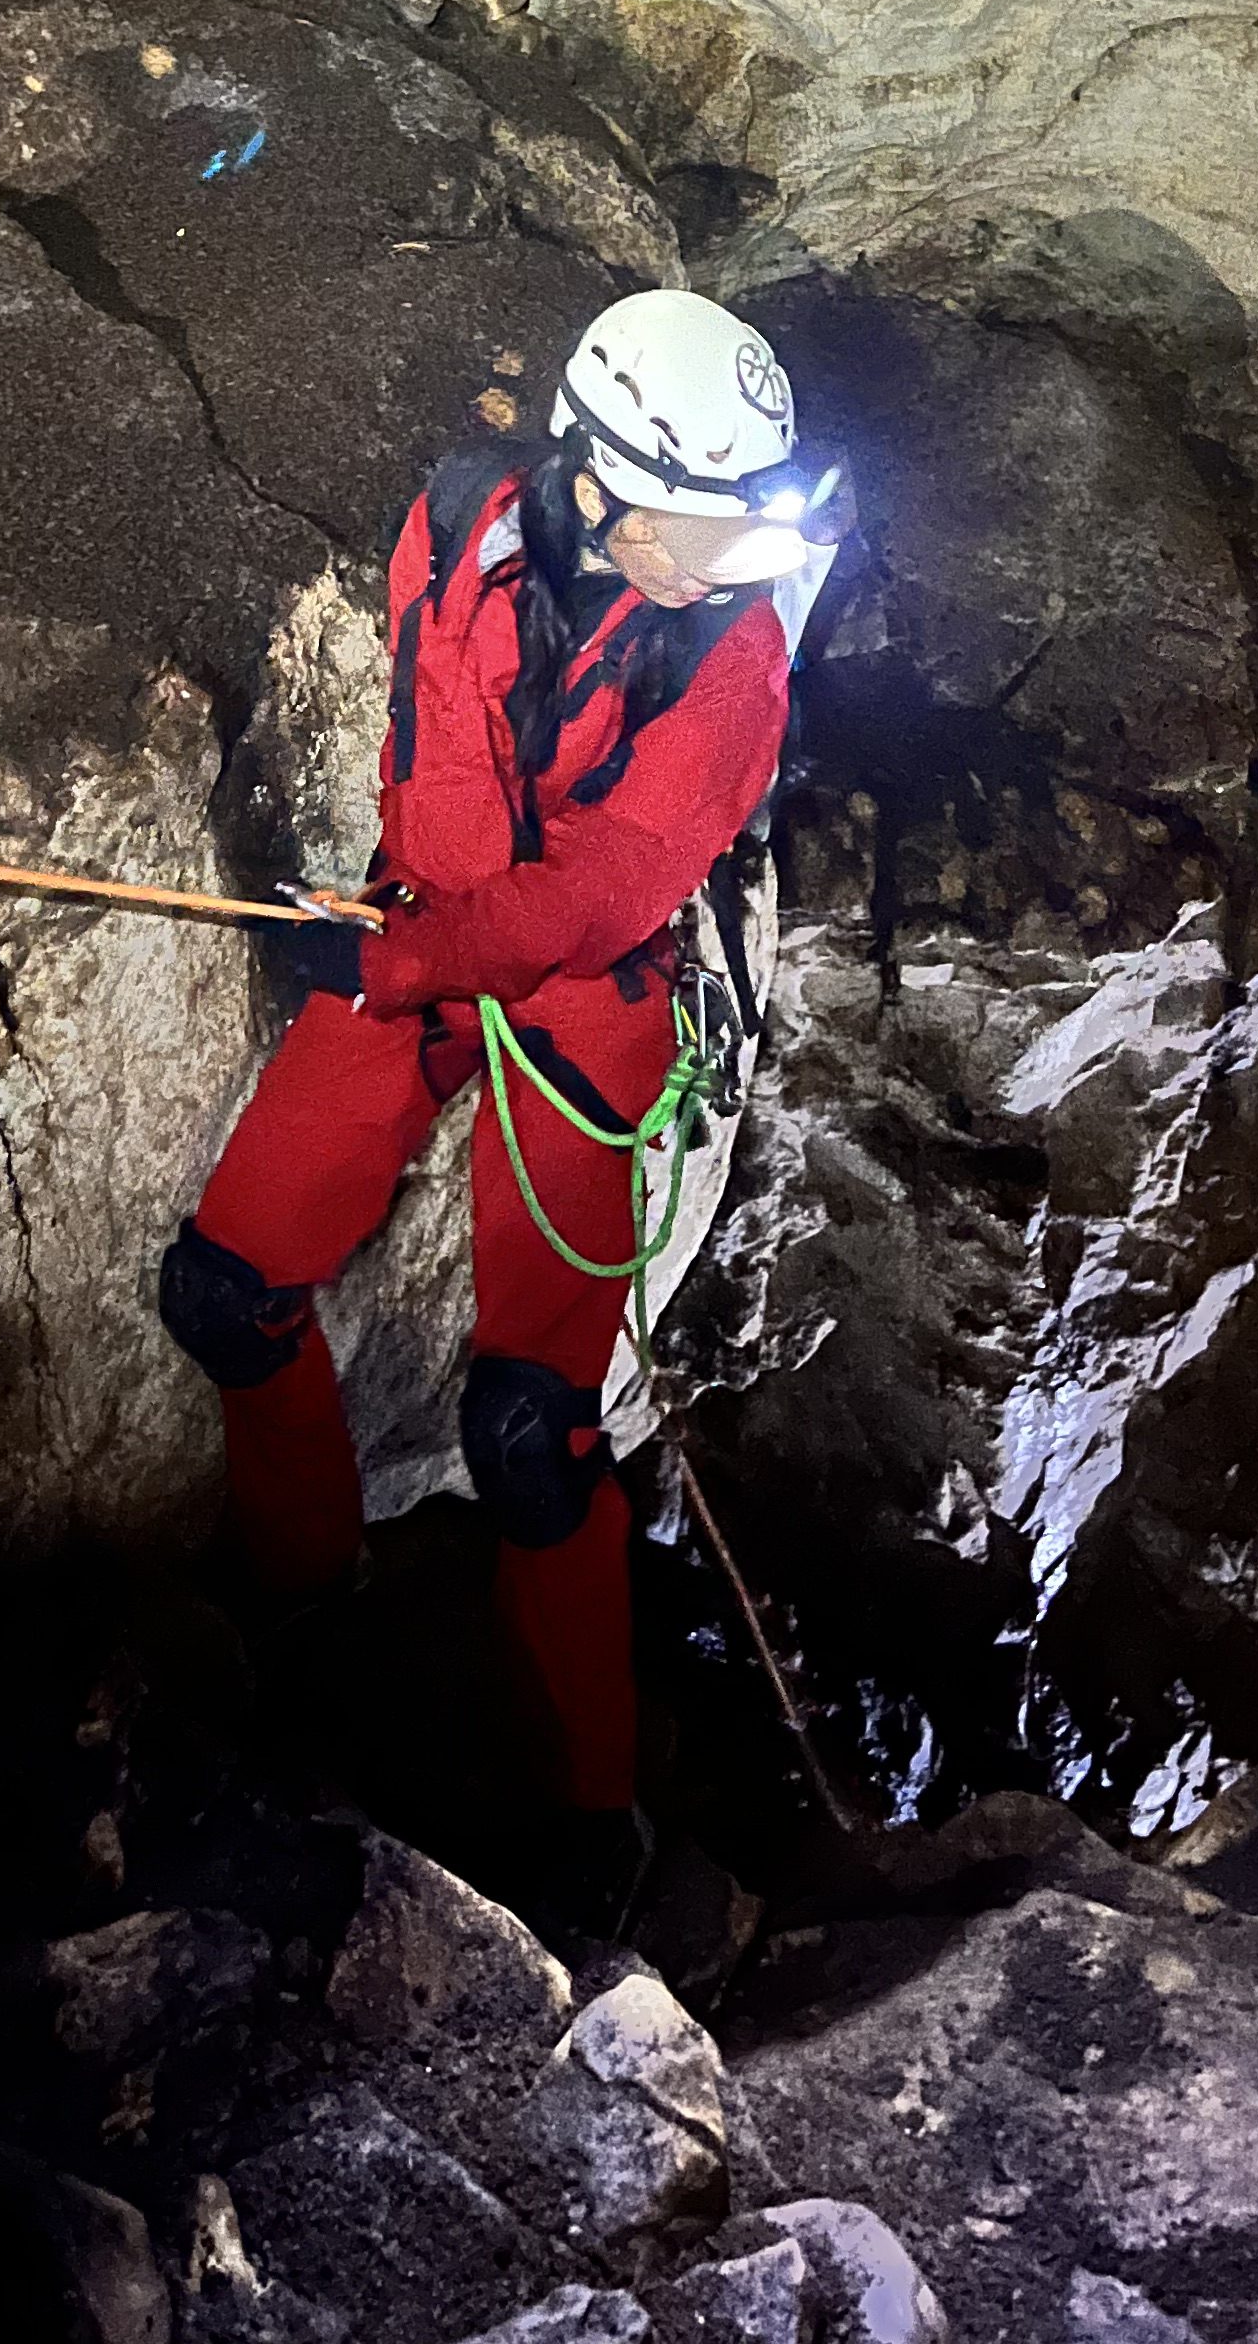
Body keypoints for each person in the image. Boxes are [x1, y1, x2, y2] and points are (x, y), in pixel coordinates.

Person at [156, 287, 845, 1897]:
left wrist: (406, 964)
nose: (746, 563)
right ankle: (303, 1588)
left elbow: (602, 896)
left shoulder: (738, 664)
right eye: (707, 524)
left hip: (581, 993)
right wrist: (410, 945)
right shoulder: (457, 530)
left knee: (533, 1431)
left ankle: (590, 1813)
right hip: (436, 928)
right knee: (224, 1289)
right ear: (596, 484)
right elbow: (447, 790)